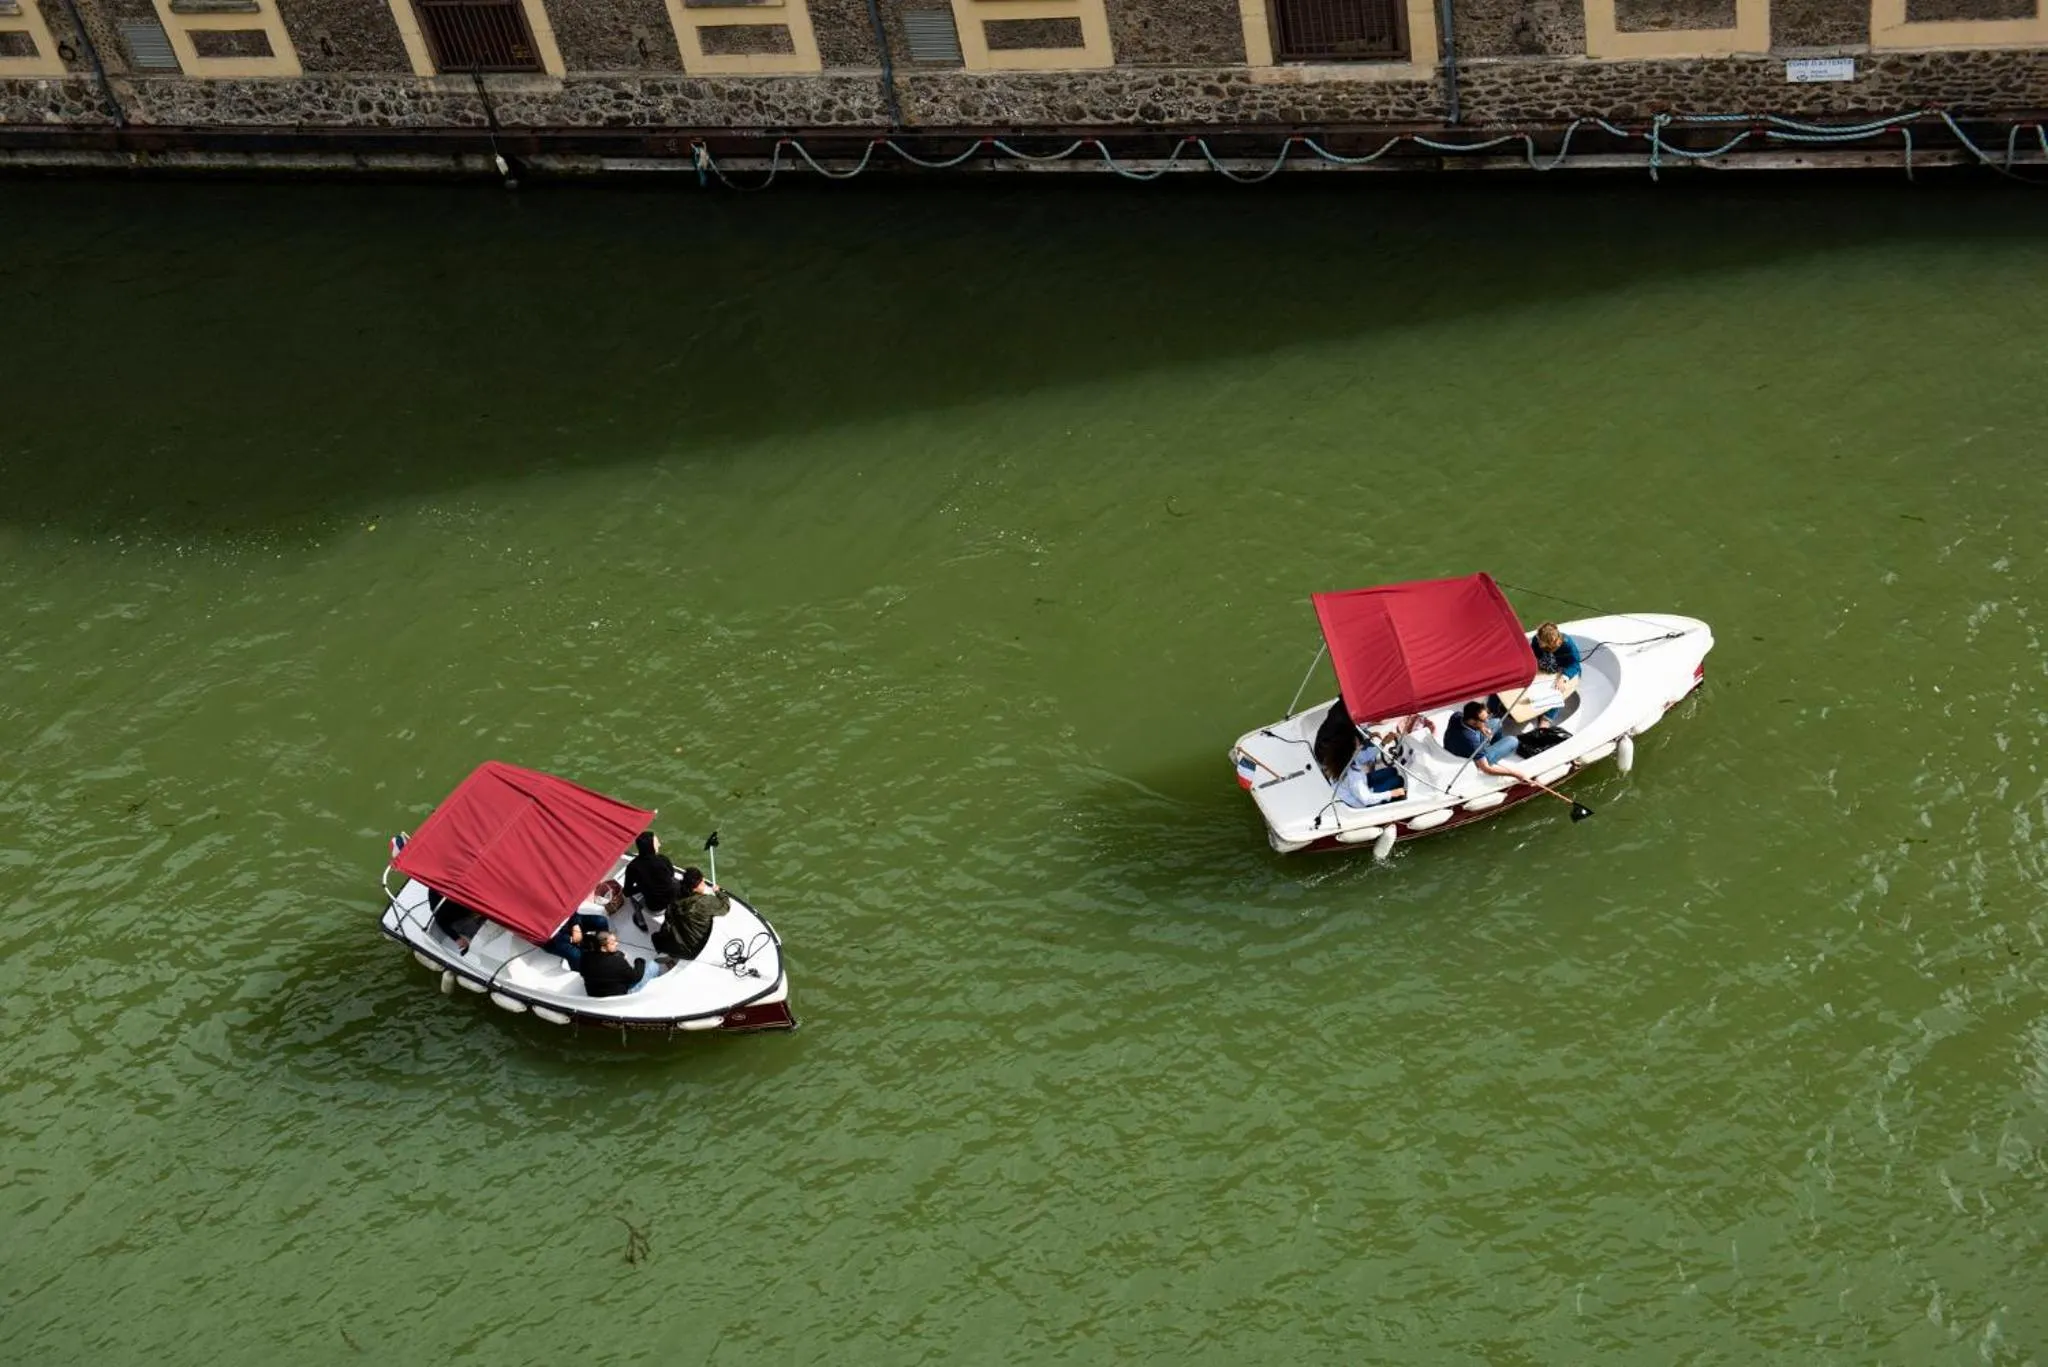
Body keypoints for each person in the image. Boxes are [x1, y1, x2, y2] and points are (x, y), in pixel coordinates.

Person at [653, 866, 730, 962]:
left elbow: (667, 925)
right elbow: (725, 906)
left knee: (655, 937)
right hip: (697, 949)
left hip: (677, 948)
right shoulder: (705, 901)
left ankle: (671, 955)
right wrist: (718, 892)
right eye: (702, 881)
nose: (704, 884)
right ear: (698, 885)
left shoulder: (674, 902)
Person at [1442, 700, 1527, 779]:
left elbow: (1479, 724)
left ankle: (1496, 745)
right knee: (1513, 740)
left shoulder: (1457, 716)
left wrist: (1482, 727)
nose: (1486, 721)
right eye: (1483, 720)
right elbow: (1486, 769)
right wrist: (1515, 774)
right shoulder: (1471, 741)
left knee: (1497, 722)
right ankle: (1494, 753)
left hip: (1454, 749)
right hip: (1472, 762)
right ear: (1472, 721)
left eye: (1487, 717)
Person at [577, 930, 665, 997]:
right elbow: (636, 977)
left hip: (594, 995)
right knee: (654, 966)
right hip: (619, 997)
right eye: (613, 942)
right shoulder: (618, 962)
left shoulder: (585, 957)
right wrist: (639, 961)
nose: (617, 943)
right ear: (603, 948)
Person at [623, 831, 678, 935]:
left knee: (632, 898)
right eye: (657, 843)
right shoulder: (663, 859)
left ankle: (641, 922)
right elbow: (671, 875)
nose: (660, 845)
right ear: (650, 846)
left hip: (656, 908)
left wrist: (642, 887)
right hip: (673, 899)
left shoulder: (632, 867)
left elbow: (627, 892)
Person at [1333, 730, 1405, 808]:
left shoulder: (1345, 757)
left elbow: (1366, 755)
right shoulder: (1353, 775)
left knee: (1392, 770)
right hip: (1362, 801)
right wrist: (1392, 793)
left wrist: (1383, 743)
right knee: (1398, 780)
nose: (1361, 746)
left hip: (1359, 787)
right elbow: (1367, 799)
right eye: (1359, 745)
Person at [1529, 622, 1583, 726]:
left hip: (1564, 670)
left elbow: (1575, 664)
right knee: (1533, 685)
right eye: (1538, 638)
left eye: (1541, 641)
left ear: (1550, 642)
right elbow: (1533, 656)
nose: (1538, 642)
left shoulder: (1567, 644)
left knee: (1558, 690)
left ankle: (1546, 719)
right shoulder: (1536, 640)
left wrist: (1563, 678)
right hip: (1545, 667)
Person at [543, 907, 613, 969]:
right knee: (575, 955)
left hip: (570, 922)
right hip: (554, 939)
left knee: (600, 921)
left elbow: (570, 907)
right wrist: (570, 938)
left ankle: (601, 951)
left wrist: (575, 924)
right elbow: (542, 936)